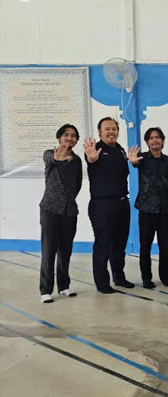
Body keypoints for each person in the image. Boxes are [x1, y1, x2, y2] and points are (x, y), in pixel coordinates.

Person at [84, 117, 133, 293]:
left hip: (122, 203)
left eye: (114, 129)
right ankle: (102, 283)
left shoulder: (120, 150)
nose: (111, 132)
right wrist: (91, 158)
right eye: (107, 129)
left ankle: (119, 277)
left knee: (120, 244)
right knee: (103, 245)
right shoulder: (95, 149)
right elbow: (90, 159)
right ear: (100, 132)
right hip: (102, 205)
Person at [128, 127, 168, 289]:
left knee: (165, 246)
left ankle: (164, 276)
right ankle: (146, 278)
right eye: (151, 138)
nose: (155, 140)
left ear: (162, 141)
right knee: (145, 246)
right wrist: (133, 161)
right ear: (147, 142)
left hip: (165, 210)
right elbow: (135, 163)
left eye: (157, 137)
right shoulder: (142, 158)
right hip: (146, 210)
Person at [39, 124, 82, 303]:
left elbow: (78, 184)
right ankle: (45, 290)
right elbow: (52, 159)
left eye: (73, 136)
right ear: (59, 138)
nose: (69, 138)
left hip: (69, 211)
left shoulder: (77, 160)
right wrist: (59, 158)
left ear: (76, 140)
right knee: (49, 251)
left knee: (66, 251)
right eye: (66, 135)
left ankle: (64, 286)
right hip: (50, 209)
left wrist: (68, 199)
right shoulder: (49, 154)